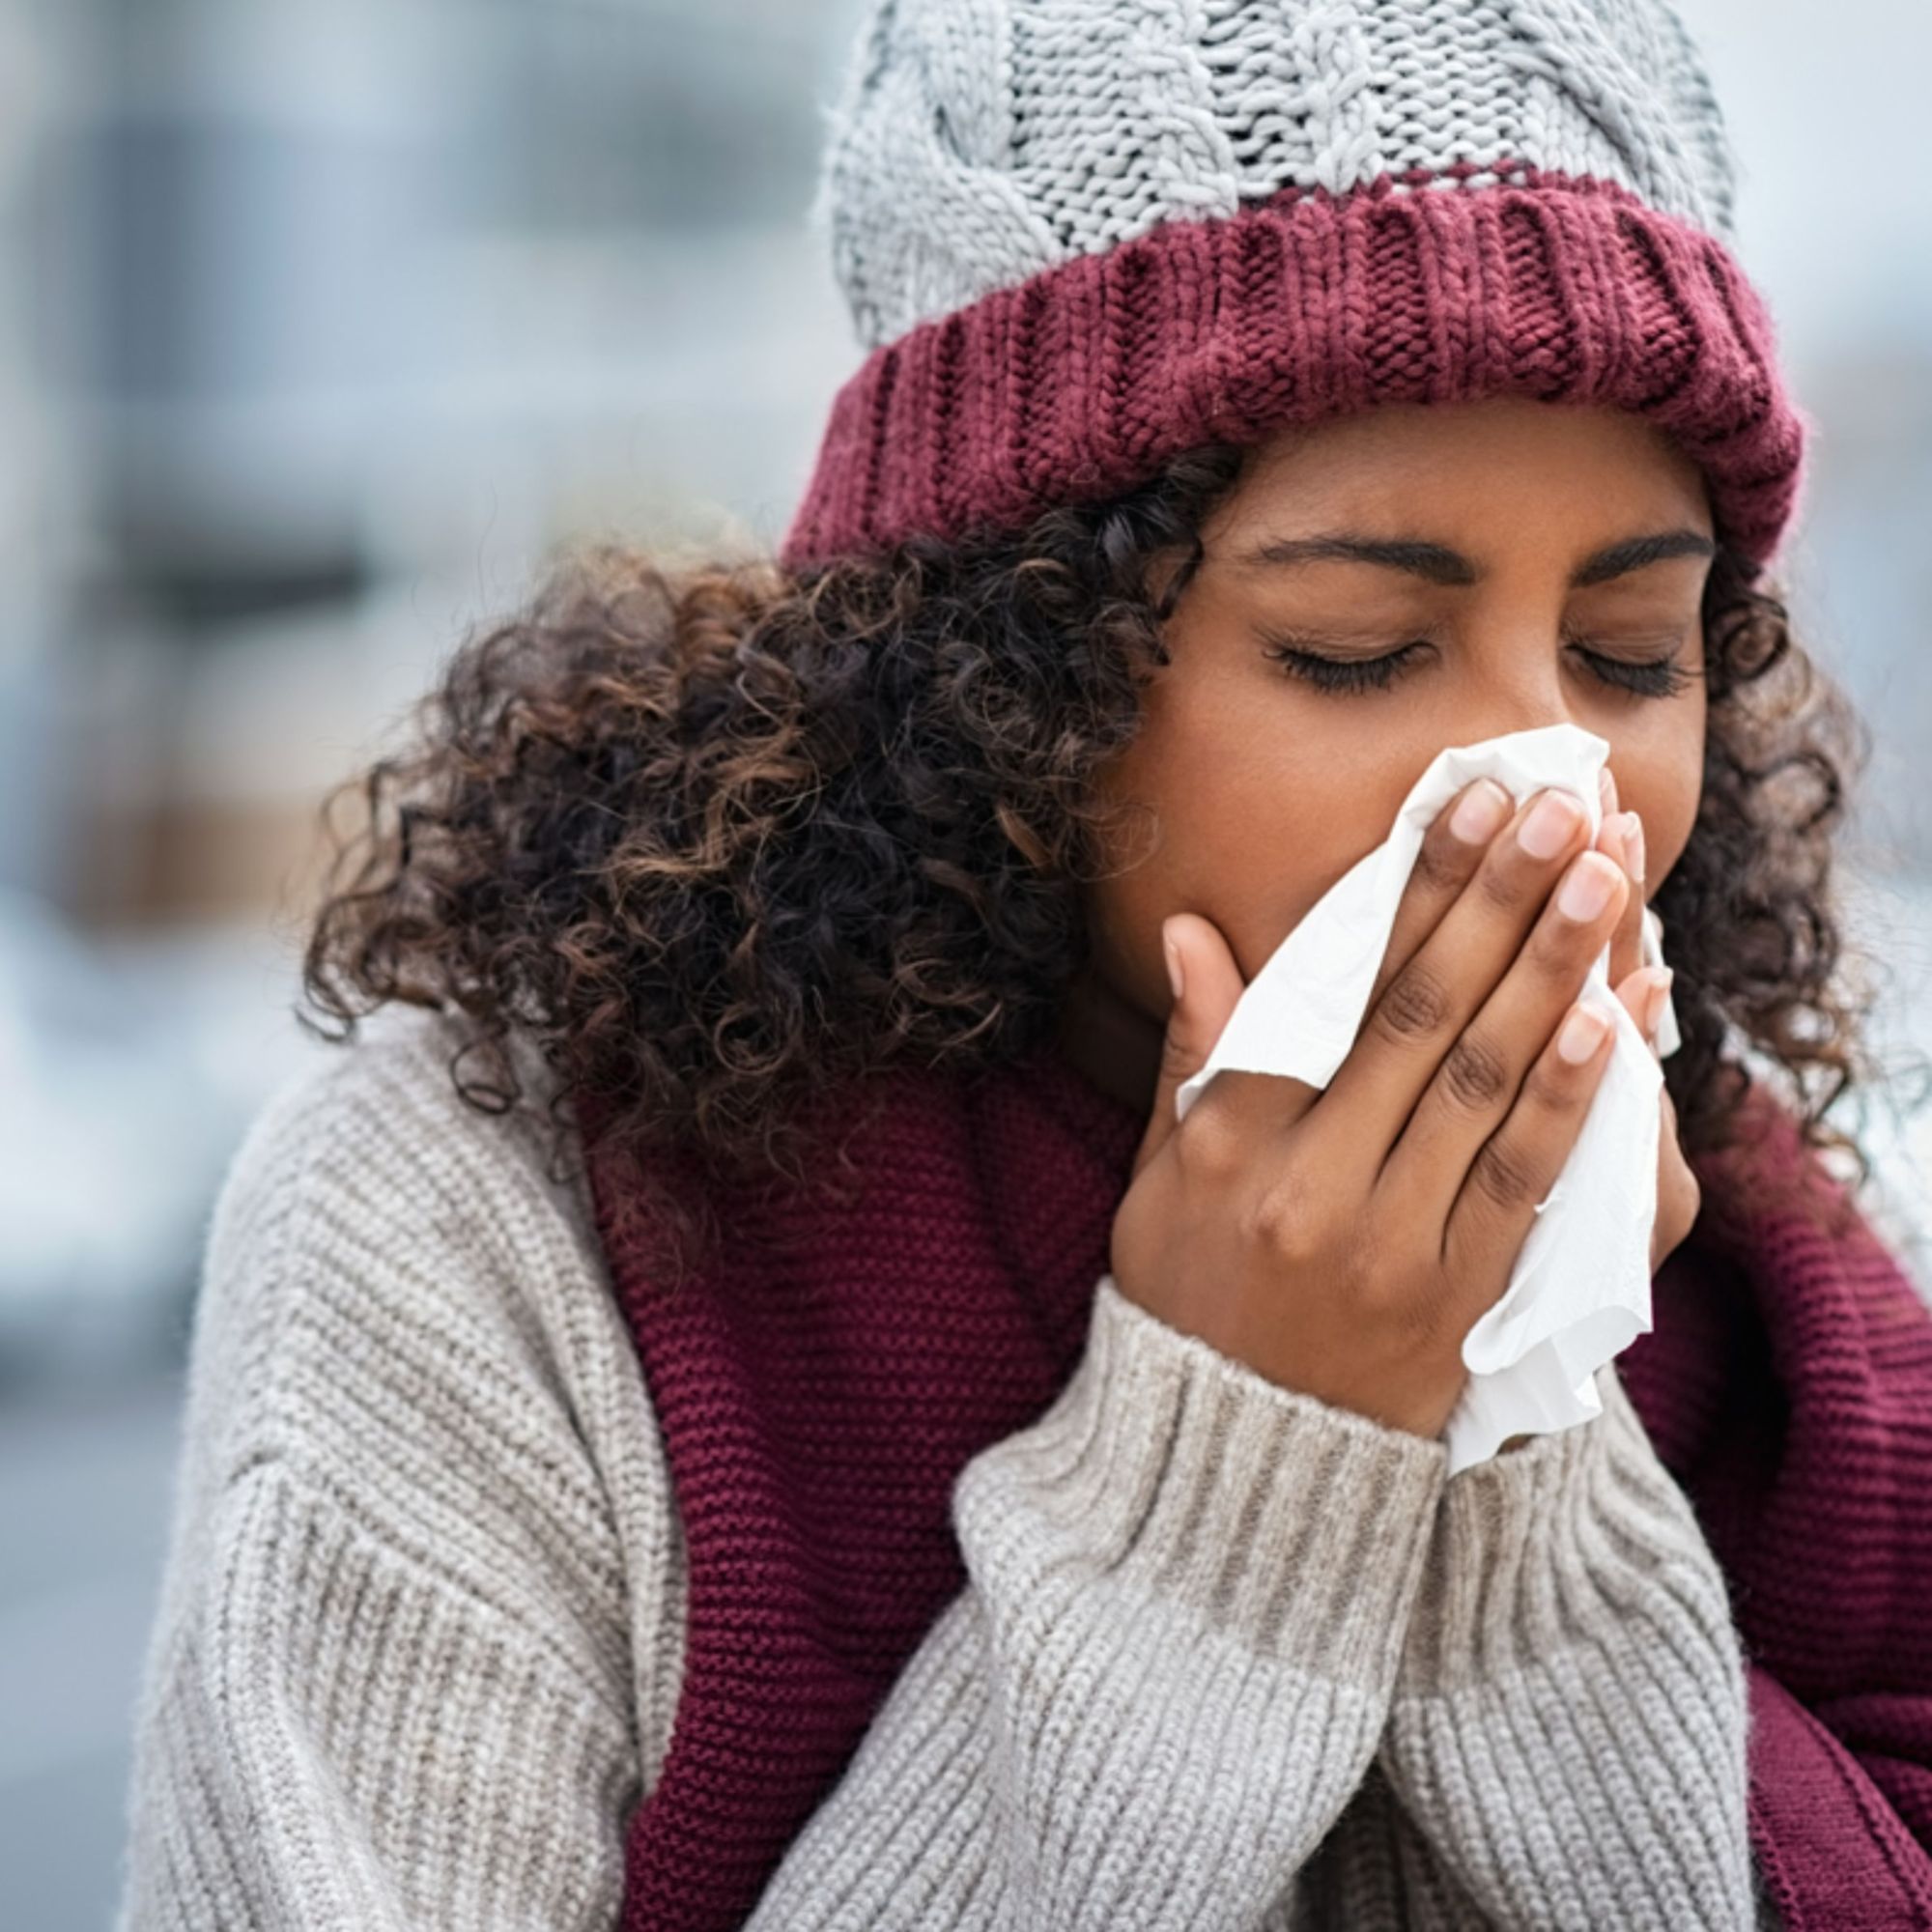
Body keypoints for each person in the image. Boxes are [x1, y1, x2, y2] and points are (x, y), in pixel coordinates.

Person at [116, 4, 1932, 1929]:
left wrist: (1508, 1438)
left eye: (1631, 652)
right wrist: (1232, 1491)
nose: (1548, 790)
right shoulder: (485, 1223)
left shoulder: (1769, 1284)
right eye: (1352, 650)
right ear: (1003, 676)